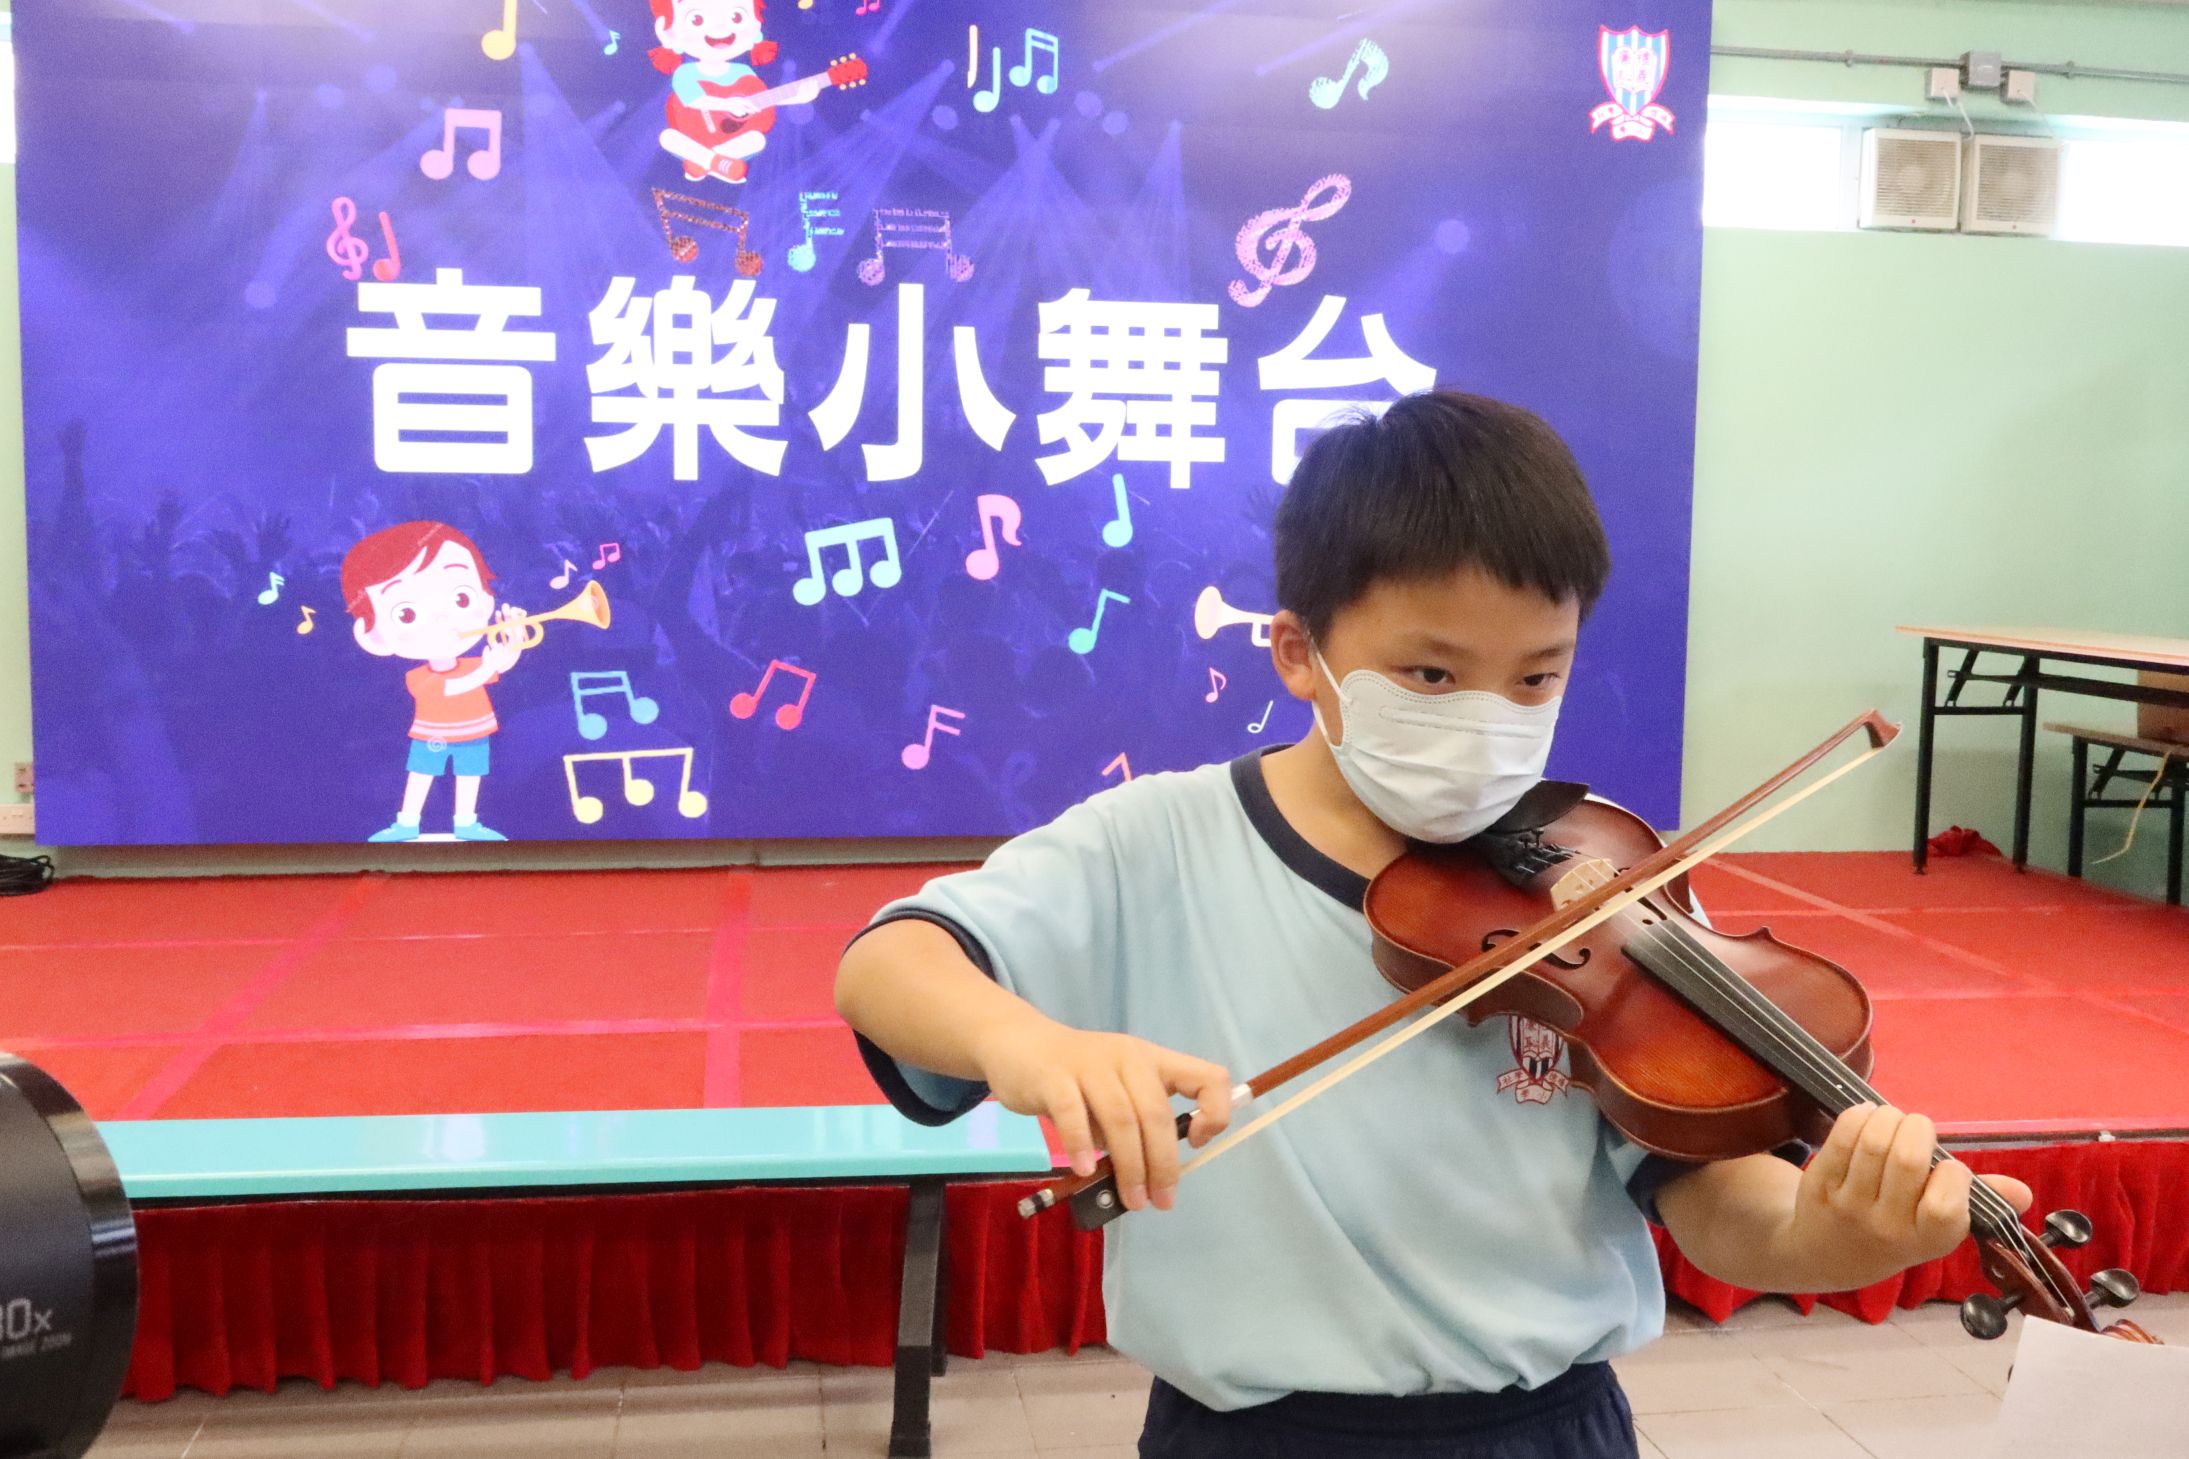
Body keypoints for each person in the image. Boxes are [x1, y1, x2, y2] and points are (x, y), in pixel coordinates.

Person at [835, 390, 2031, 1459]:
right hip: (1251, 1438)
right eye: (1429, 675)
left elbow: (1711, 1196)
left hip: (1546, 1427)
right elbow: (890, 964)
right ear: (1299, 652)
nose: (1487, 721)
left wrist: (1825, 1236)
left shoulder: (1605, 880)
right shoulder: (1155, 840)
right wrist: (1030, 1043)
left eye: (1535, 677)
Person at [342, 521, 525, 843]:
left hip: (475, 731)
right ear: (373, 637)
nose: (442, 619)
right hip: (431, 735)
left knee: (470, 776)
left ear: (486, 599)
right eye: (406, 614)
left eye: (461, 599)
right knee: (421, 775)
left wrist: (514, 642)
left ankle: (466, 824)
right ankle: (407, 823)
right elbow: (454, 687)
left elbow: (500, 664)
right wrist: (487, 667)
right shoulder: (418, 676)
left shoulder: (472, 664)